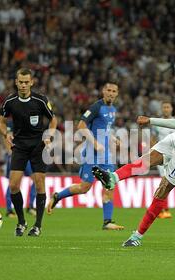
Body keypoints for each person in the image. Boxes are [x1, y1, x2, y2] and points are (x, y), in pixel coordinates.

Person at [92, 70, 175, 247]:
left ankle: (137, 236)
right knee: (145, 160)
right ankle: (112, 178)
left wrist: (151, 121)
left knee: (162, 189)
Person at [46, 82, 124, 231]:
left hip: (106, 156)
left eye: (114, 91)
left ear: (117, 93)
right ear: (103, 91)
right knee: (84, 188)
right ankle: (57, 196)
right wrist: (94, 143)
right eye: (108, 90)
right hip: (91, 155)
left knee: (110, 185)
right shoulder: (96, 107)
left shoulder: (112, 109)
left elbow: (105, 128)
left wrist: (113, 138)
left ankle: (107, 221)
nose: (111, 93)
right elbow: (81, 126)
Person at [0, 68, 57, 237]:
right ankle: (21, 222)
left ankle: (37, 225)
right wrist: (6, 133)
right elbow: (1, 122)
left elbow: (53, 119)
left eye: (26, 82)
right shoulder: (10, 101)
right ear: (16, 82)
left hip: (38, 146)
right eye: (20, 82)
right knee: (14, 185)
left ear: (31, 82)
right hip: (20, 146)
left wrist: (49, 135)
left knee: (39, 184)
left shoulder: (40, 100)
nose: (23, 85)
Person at [151, 101, 175, 219]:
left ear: (171, 109)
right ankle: (163, 210)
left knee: (167, 182)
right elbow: (153, 139)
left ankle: (161, 209)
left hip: (173, 156)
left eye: (168, 107)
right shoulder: (158, 124)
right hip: (161, 156)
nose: (166, 109)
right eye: (164, 107)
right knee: (165, 182)